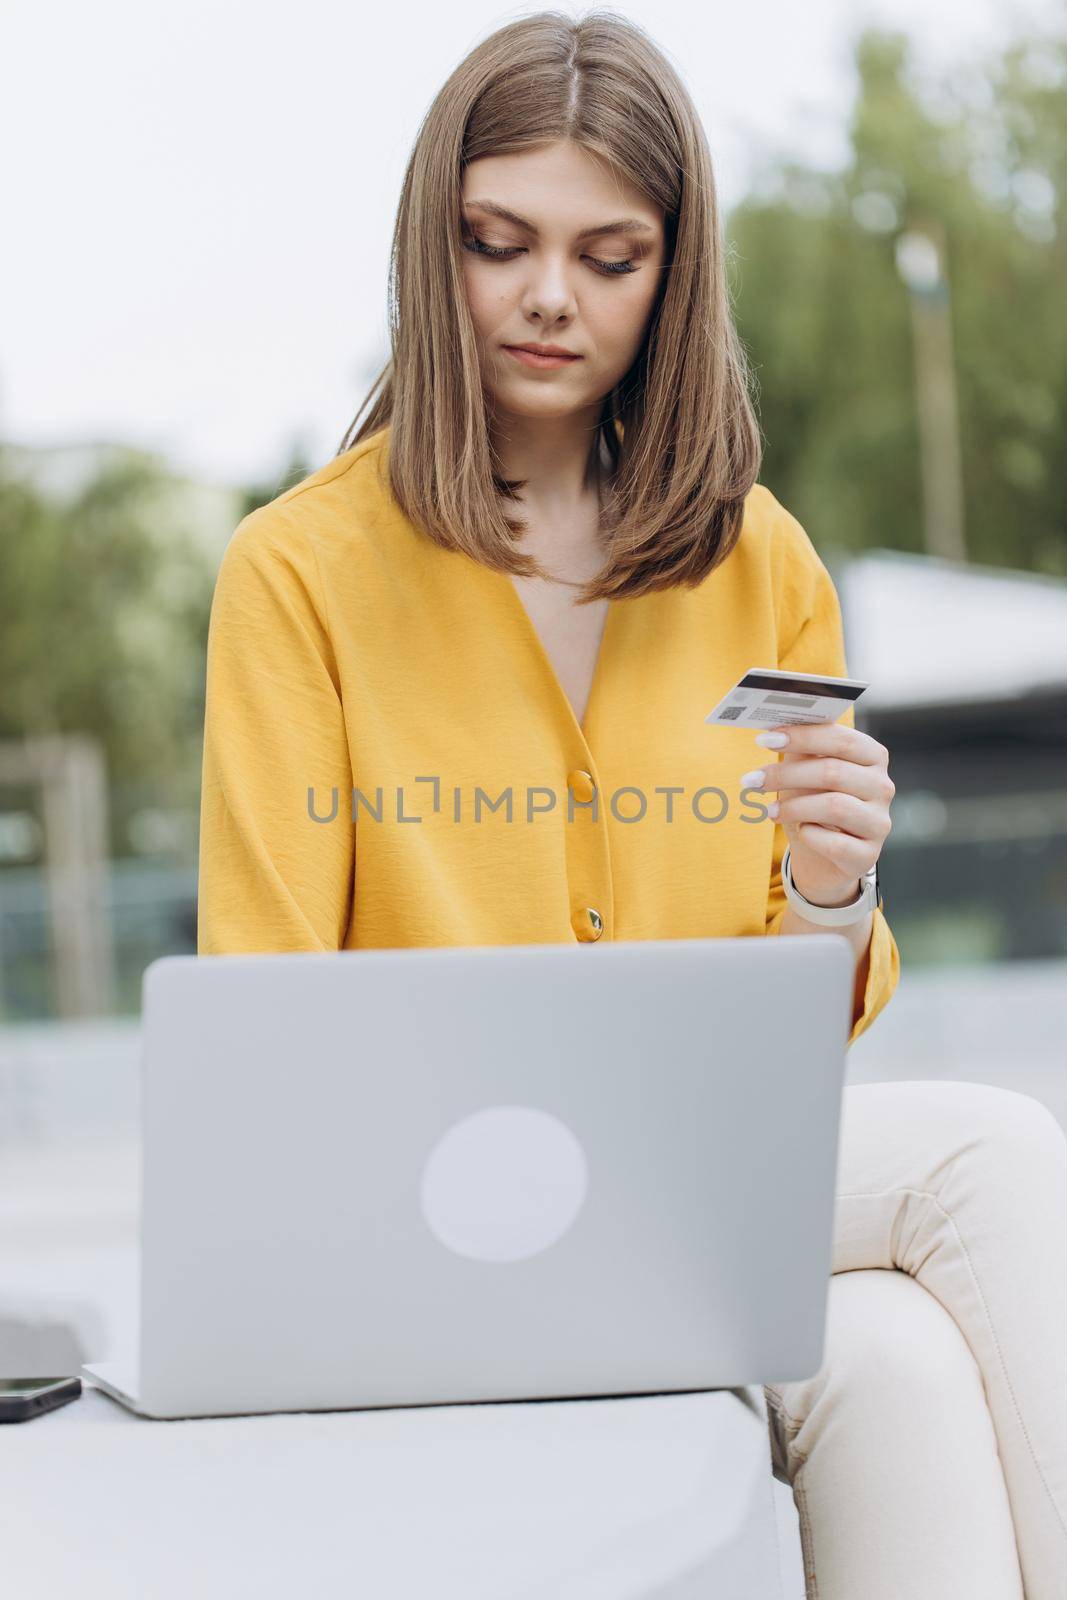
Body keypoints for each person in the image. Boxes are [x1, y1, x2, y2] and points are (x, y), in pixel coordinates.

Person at [196, 12, 1067, 1596]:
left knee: (897, 1364)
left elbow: (787, 1054)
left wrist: (828, 886)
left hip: (681, 1195)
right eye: (499, 240)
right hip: (427, 1214)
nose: (548, 295)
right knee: (997, 1164)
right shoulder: (298, 576)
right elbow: (262, 1019)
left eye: (612, 255)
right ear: (431, 244)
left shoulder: (764, 562)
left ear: (675, 275)